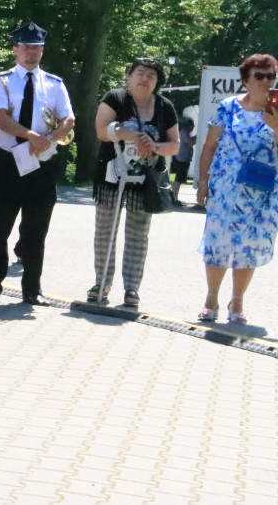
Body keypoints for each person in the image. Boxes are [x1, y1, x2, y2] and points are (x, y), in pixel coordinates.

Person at [0, 22, 74, 306]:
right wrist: (31, 135)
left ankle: (32, 290)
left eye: (36, 47)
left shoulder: (55, 84)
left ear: (42, 51)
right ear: (15, 50)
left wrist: (49, 139)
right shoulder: (2, 81)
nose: (31, 52)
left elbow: (68, 119)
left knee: (36, 229)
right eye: (26, 47)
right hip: (10, 161)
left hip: (41, 162)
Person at [87, 58, 179, 307]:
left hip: (145, 181)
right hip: (111, 177)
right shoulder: (115, 98)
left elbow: (175, 144)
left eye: (151, 75)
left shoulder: (164, 106)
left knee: (138, 235)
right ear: (129, 76)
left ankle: (131, 289)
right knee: (105, 231)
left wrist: (155, 146)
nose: (144, 79)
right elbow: (100, 130)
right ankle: (101, 283)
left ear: (158, 82)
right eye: (140, 73)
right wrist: (125, 133)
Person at [195, 54, 278, 325]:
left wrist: (276, 127)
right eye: (260, 76)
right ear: (245, 81)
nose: (267, 81)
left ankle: (238, 301)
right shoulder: (228, 107)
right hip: (225, 189)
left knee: (250, 246)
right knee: (217, 242)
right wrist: (203, 182)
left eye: (271, 76)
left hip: (262, 193)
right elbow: (209, 146)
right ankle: (211, 297)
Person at [172, 117, 196, 206]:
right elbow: (190, 142)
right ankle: (174, 198)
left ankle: (172, 196)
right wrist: (200, 136)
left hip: (177, 159)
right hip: (181, 160)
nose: (193, 128)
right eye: (192, 126)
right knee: (178, 179)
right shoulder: (183, 133)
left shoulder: (181, 133)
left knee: (173, 179)